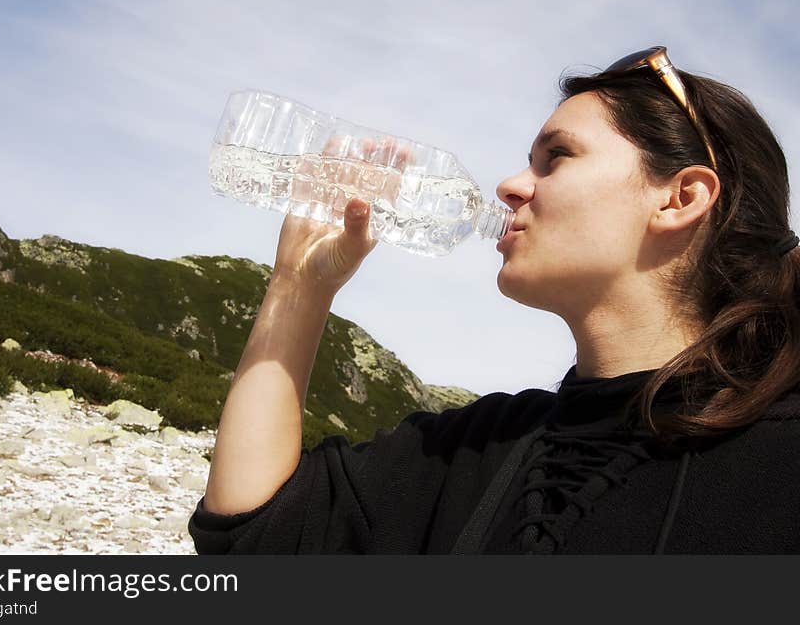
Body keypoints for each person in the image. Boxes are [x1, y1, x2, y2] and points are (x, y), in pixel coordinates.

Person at [189, 46, 800, 554]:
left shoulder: (778, 469)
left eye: (555, 158)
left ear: (680, 198)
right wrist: (299, 285)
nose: (509, 185)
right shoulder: (480, 447)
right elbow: (254, 538)